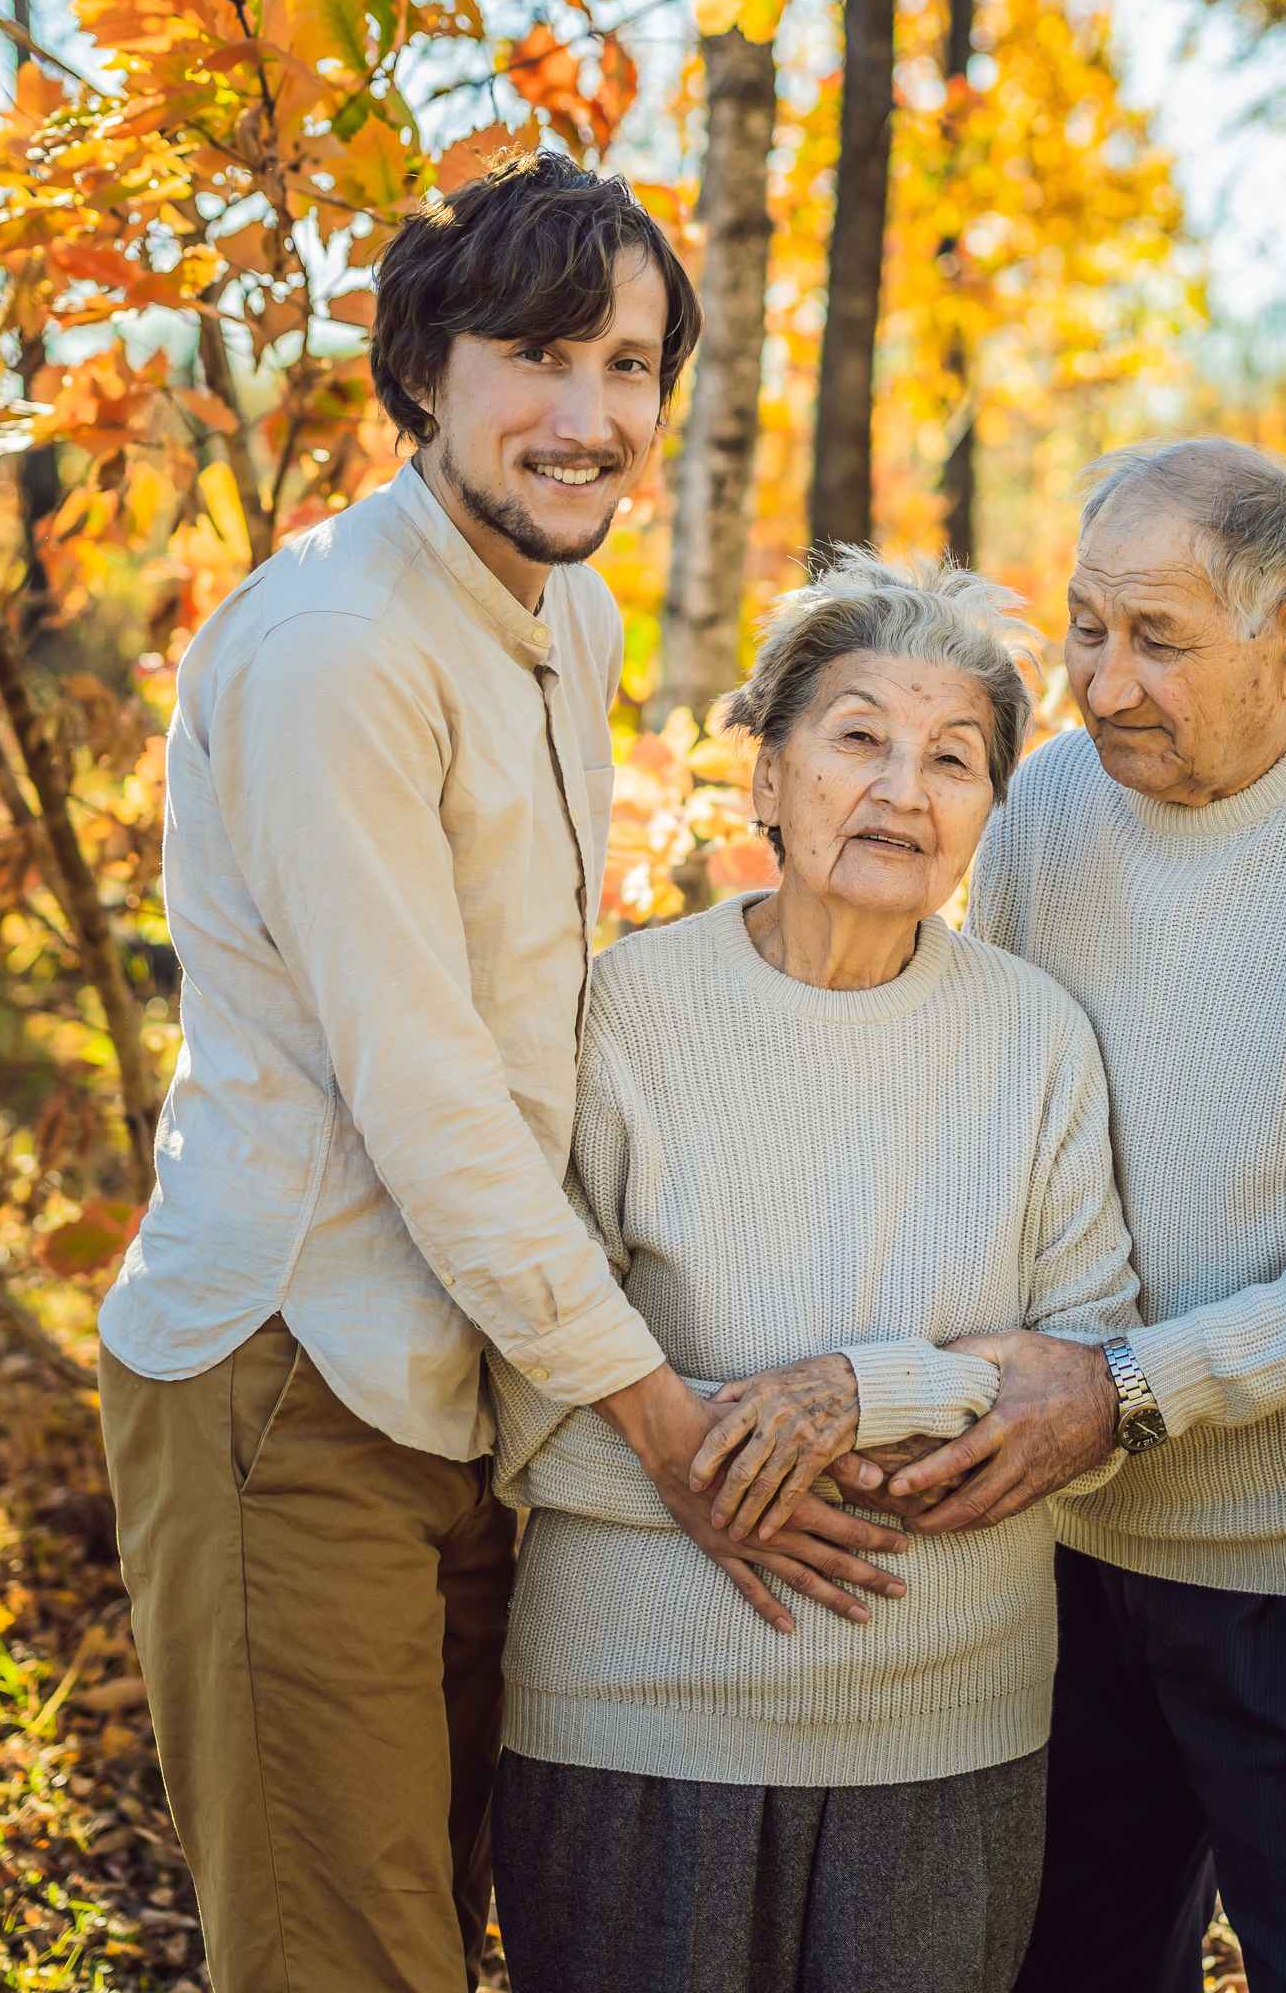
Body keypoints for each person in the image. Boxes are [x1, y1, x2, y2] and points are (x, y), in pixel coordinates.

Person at [91, 154, 901, 1993]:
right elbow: (431, 1093)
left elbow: (550, 1020)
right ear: (425, 371)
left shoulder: (564, 617)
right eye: (539, 354)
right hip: (290, 1379)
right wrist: (663, 1420)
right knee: (341, 1959)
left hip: (468, 1387)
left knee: (447, 1928)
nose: (590, 414)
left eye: (630, 366)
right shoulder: (338, 652)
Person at [876, 437, 1286, 1993]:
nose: (1105, 685)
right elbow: (999, 1116)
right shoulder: (1046, 810)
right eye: (1087, 629)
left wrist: (1128, 1391)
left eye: (1160, 641)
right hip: (1072, 1554)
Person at [484, 550, 1143, 1993]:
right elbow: (521, 1371)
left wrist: (862, 1394)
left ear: (987, 811)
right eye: (859, 739)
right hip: (632, 1721)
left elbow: (1089, 1391)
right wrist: (727, 1476)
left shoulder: (1037, 1041)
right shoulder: (618, 1012)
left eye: (953, 759)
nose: (904, 791)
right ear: (767, 778)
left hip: (946, 1732)